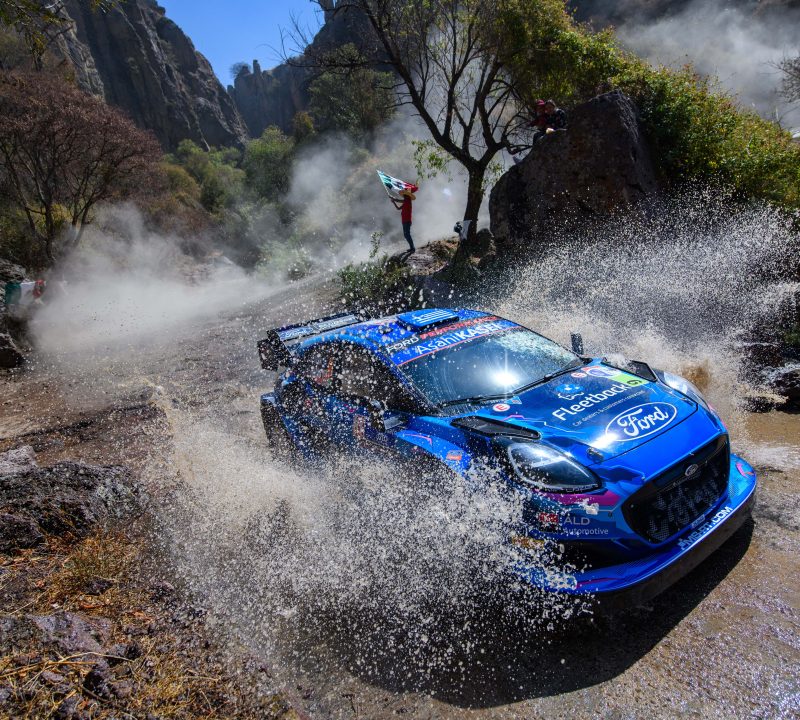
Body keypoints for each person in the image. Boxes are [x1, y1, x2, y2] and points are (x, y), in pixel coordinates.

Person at [391, 188, 416, 253]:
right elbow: (398, 208)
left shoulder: (408, 201)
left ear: (408, 196)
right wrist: (393, 202)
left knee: (407, 235)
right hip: (404, 221)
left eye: (405, 195)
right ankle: (411, 248)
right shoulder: (405, 202)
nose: (404, 196)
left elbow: (399, 200)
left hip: (407, 221)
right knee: (406, 235)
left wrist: (394, 199)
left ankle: (412, 248)